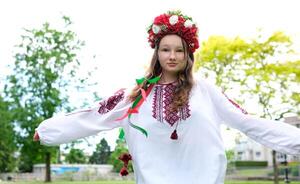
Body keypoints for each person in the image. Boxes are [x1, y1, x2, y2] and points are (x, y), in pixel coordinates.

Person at [34, 10, 300, 184]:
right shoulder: (135, 96)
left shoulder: (206, 92)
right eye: (166, 50)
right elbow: (96, 115)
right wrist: (49, 131)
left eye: (179, 50)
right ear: (157, 53)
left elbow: (249, 123)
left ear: (188, 55)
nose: (172, 56)